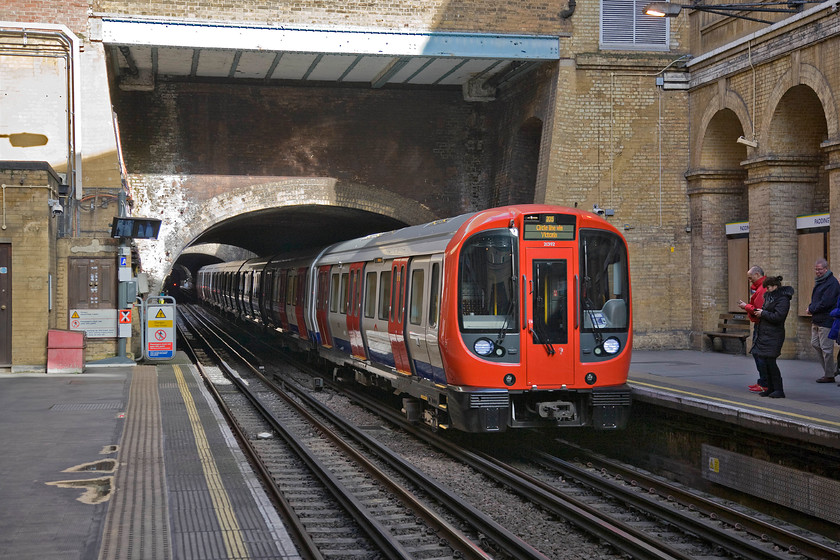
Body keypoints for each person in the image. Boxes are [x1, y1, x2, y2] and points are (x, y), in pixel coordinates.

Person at [751, 275, 793, 398]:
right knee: (764, 362)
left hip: (774, 335)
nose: (767, 290)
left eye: (768, 287)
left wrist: (763, 313)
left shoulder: (783, 299)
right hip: (765, 334)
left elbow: (778, 317)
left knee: (771, 362)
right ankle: (770, 388)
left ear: (775, 286)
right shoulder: (770, 297)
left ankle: (779, 389)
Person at [808, 259, 840, 383]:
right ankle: (830, 371)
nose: (817, 272)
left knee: (826, 348)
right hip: (817, 319)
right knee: (815, 344)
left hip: (826, 320)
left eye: (820, 269)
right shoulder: (821, 282)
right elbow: (817, 300)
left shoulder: (831, 283)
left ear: (826, 269)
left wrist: (811, 309)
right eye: (816, 269)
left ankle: (829, 374)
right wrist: (811, 308)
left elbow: (826, 302)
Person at [738, 265, 767, 392]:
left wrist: (746, 307)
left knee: (758, 353)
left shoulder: (762, 289)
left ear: (757, 274)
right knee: (757, 353)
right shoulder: (758, 288)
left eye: (750, 278)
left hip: (762, 326)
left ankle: (764, 383)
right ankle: (762, 381)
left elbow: (758, 310)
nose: (750, 280)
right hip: (760, 325)